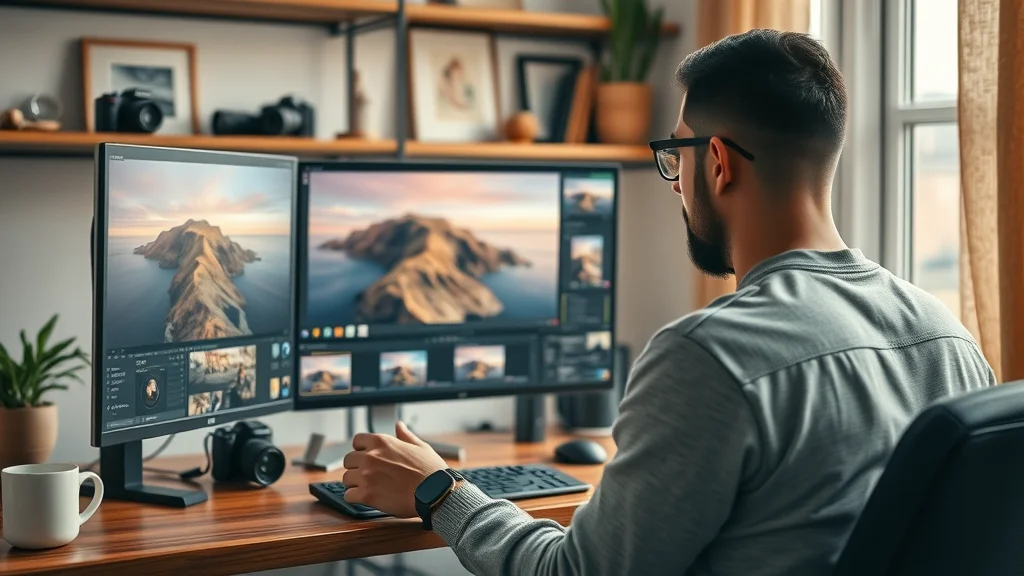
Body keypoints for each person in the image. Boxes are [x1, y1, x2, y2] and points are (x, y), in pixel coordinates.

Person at [339, 30, 996, 575]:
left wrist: (440, 492)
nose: (675, 183)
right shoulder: (949, 338)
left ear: (718, 163)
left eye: (676, 155)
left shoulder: (707, 356)